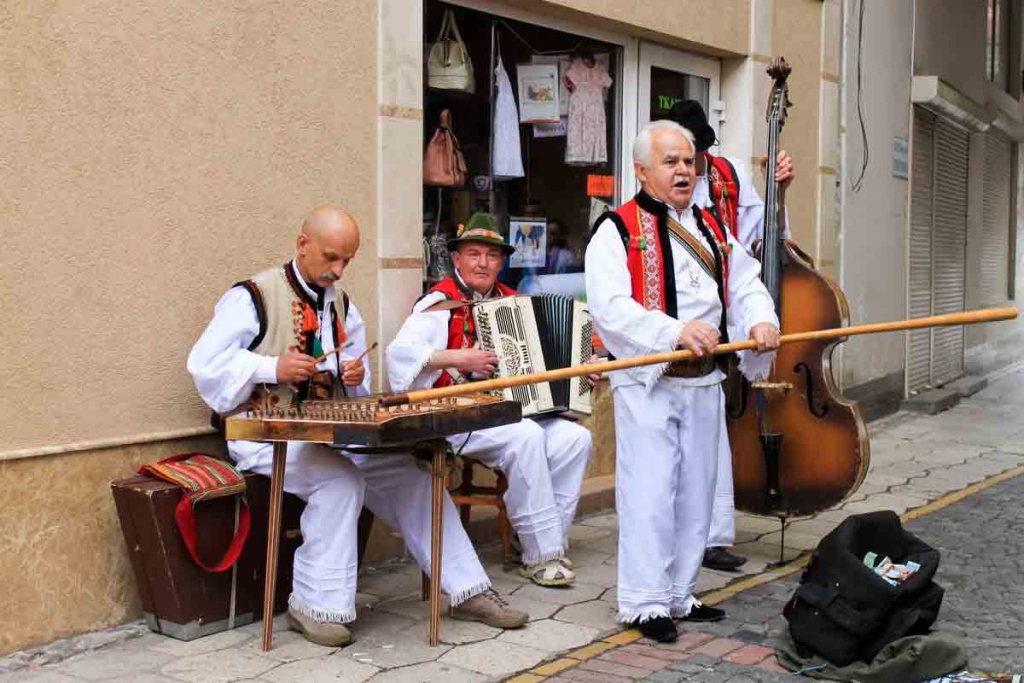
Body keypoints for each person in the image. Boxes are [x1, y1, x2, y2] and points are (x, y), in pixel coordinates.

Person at [188, 206, 527, 647]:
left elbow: (357, 380)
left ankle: (468, 590)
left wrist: (353, 374)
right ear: (302, 244)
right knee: (339, 482)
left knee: (415, 476)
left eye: (346, 260)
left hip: (333, 429)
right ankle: (313, 605)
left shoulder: (342, 304)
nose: (338, 270)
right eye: (331, 257)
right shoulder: (253, 297)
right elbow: (205, 367)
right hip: (266, 433)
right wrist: (272, 367)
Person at [585, 122, 780, 642]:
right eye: (670, 161)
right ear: (641, 170)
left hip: (704, 381)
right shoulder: (617, 230)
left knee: (697, 492)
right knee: (650, 493)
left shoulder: (713, 226)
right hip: (649, 383)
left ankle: (679, 593)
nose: (683, 171)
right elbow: (610, 308)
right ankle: (645, 603)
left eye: (689, 161)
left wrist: (761, 321)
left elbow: (745, 282)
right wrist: (673, 331)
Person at [387, 212, 593, 587]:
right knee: (527, 437)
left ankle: (530, 541)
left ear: (501, 262)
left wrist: (581, 372)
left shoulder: (515, 302)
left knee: (576, 439)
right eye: (473, 253)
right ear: (457, 258)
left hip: (513, 412)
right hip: (455, 416)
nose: (483, 263)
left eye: (492, 255)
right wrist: (458, 358)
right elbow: (399, 356)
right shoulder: (438, 303)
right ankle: (543, 554)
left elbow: (549, 362)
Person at [667, 99, 795, 572]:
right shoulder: (654, 195)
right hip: (683, 324)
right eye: (682, 156)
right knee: (690, 435)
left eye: (697, 154)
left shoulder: (731, 175)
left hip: (733, 316)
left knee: (715, 429)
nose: (691, 165)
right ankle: (679, 534)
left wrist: (779, 193)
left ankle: (713, 534)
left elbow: (761, 242)